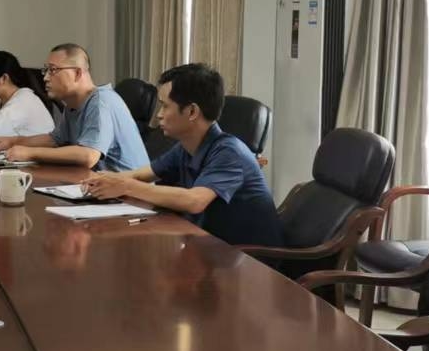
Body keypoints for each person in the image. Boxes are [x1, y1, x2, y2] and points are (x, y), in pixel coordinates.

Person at [83, 62, 283, 247]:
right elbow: (139, 175)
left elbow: (194, 201)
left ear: (192, 112)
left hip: (252, 259)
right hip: (212, 248)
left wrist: (125, 185)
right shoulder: (186, 147)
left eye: (165, 106)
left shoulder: (229, 152)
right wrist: (101, 180)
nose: (159, 115)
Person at [0, 44, 148, 171]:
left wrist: (30, 153)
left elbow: (88, 155)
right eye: (46, 70)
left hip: (132, 195)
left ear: (77, 73)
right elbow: (54, 140)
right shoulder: (73, 104)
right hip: (102, 187)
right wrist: (13, 141)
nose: (45, 78)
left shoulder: (101, 101)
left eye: (53, 70)